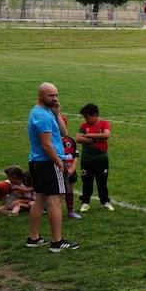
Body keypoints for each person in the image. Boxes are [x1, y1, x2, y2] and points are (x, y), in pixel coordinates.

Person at [27, 83, 76, 251]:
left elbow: (64, 133)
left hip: (37, 162)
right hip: (48, 163)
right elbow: (47, 145)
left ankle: (33, 238)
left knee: (39, 199)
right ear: (40, 96)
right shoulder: (43, 116)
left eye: (56, 94)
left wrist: (57, 113)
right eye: (51, 95)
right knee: (55, 201)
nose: (55, 98)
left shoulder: (45, 113)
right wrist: (59, 162)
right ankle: (57, 241)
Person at [73, 103, 112, 213]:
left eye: (87, 117)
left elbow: (106, 135)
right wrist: (96, 138)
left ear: (95, 115)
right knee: (87, 181)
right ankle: (85, 202)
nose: (85, 119)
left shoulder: (104, 123)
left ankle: (105, 201)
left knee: (102, 181)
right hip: (87, 159)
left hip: (101, 158)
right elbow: (78, 139)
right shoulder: (83, 126)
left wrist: (89, 136)